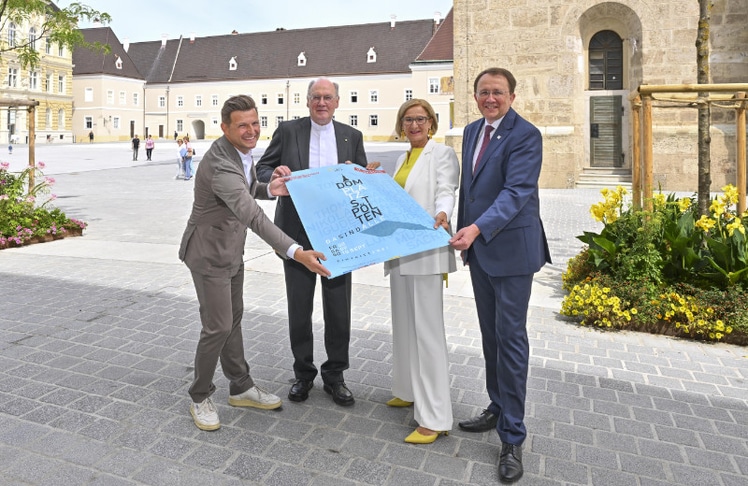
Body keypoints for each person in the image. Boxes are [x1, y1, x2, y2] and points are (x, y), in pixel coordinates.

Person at [178, 94, 330, 431]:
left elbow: (247, 190)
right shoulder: (220, 163)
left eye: (255, 123)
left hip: (231, 250)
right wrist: (296, 252)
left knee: (233, 320)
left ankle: (241, 387)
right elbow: (252, 215)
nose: (251, 131)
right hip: (208, 254)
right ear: (224, 128)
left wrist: (270, 188)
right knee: (217, 326)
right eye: (242, 125)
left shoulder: (241, 153)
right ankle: (200, 395)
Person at [449, 67, 551, 484]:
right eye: (483, 92)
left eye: (498, 92)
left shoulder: (526, 135)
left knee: (510, 340)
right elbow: (469, 190)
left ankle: (512, 436)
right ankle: (497, 406)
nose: (490, 98)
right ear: (475, 96)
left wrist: (475, 229)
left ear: (512, 94)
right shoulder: (473, 130)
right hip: (480, 252)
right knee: (490, 335)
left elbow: (515, 193)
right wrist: (462, 227)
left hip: (510, 252)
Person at [255, 78, 367, 407]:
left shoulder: (352, 136)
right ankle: (303, 373)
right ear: (307, 102)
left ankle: (335, 374)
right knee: (299, 309)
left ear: (337, 102)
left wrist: (356, 174)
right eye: (316, 97)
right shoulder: (288, 131)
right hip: (296, 235)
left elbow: (362, 182)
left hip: (339, 236)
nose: (322, 102)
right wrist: (274, 176)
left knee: (338, 310)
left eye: (327, 97)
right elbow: (262, 169)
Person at [384, 99, 459, 444]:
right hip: (399, 250)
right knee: (404, 323)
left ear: (431, 122)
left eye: (420, 119)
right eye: (408, 120)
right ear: (401, 125)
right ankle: (408, 389)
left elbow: (446, 190)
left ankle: (434, 418)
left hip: (426, 249)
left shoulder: (440, 154)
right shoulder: (401, 158)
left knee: (427, 332)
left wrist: (443, 213)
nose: (414, 125)